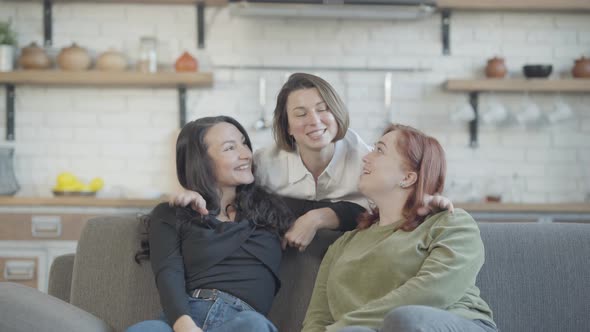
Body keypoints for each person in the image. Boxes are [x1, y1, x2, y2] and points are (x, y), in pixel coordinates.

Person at [172, 73, 453, 251]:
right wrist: (196, 192)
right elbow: (227, 193)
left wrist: (318, 217)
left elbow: (401, 199)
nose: (315, 121)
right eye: (300, 113)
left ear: (337, 114)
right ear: (287, 126)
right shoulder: (265, 164)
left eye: (323, 109)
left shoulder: (365, 160)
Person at [302, 124, 497, 332]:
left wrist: (341, 328)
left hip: (453, 323)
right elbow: (317, 319)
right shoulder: (341, 246)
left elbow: (432, 292)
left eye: (379, 150)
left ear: (408, 177)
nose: (366, 157)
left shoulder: (450, 223)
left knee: (405, 319)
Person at [127, 116, 296, 332]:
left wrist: (316, 219)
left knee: (254, 325)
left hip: (242, 321)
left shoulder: (272, 209)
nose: (246, 154)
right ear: (201, 161)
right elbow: (168, 272)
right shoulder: (171, 213)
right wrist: (184, 325)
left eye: (244, 143)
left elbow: (350, 212)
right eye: (230, 148)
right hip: (183, 320)